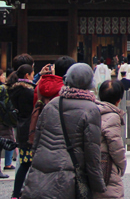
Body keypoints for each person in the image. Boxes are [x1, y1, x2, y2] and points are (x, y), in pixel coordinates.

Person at [21, 63, 106, 199]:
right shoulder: (90, 109)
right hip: (67, 174)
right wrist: (98, 185)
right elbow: (92, 151)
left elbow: (37, 141)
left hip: (41, 169)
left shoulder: (53, 104)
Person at [95, 80, 127, 199]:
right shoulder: (112, 116)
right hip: (106, 164)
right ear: (119, 100)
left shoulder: (92, 111)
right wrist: (121, 166)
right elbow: (116, 146)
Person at [8, 63, 35, 198]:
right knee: (30, 164)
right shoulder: (29, 92)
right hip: (30, 129)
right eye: (32, 74)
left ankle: (15, 193)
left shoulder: (15, 90)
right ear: (27, 75)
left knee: (24, 163)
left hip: (21, 128)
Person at [0, 69, 14, 174]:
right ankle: (8, 164)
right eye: (2, 75)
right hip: (3, 121)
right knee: (8, 142)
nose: (4, 77)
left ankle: (8, 163)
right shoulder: (3, 89)